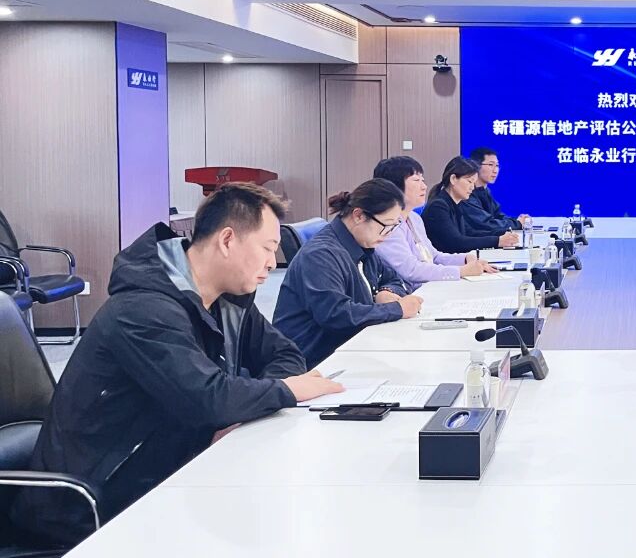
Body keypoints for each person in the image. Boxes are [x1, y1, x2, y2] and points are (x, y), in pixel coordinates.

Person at [10, 183, 342, 546]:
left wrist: (242, 408)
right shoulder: (144, 309)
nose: (272, 263)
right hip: (90, 505)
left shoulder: (227, 298)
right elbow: (208, 399)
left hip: (166, 471)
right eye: (267, 248)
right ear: (227, 240)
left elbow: (286, 356)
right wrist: (282, 391)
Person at [273, 179, 423, 368]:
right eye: (386, 225)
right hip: (315, 362)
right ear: (359, 215)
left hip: (352, 346)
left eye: (394, 226)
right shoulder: (321, 255)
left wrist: (386, 291)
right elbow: (336, 315)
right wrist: (397, 309)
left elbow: (393, 278)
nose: (389, 234)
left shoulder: (363, 245)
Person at [372, 156, 497, 289]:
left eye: (423, 180)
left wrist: (465, 259)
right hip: (409, 293)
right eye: (416, 180)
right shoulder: (387, 225)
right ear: (394, 187)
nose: (424, 186)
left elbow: (434, 257)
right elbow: (411, 270)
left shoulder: (414, 218)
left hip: (428, 288)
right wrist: (461, 271)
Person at [424, 156, 520, 253]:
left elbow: (470, 232)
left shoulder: (455, 204)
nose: (472, 187)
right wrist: (497, 241)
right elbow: (456, 242)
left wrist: (503, 234)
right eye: (469, 181)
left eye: (474, 183)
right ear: (453, 179)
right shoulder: (438, 206)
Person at [461, 147, 530, 236]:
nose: (495, 170)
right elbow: (486, 224)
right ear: (476, 166)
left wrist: (517, 220)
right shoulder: (466, 193)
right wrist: (517, 224)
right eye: (491, 165)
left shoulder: (485, 191)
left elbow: (497, 215)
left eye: (497, 165)